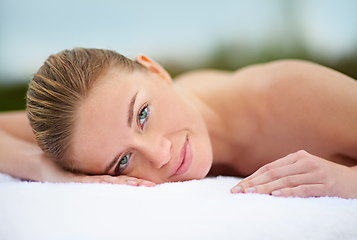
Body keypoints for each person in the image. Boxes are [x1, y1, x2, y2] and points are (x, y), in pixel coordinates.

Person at [0, 48, 356, 199]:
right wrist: (46, 170)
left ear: (157, 71)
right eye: (122, 161)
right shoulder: (93, 128)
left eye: (142, 115)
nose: (160, 155)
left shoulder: (288, 94)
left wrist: (347, 179)